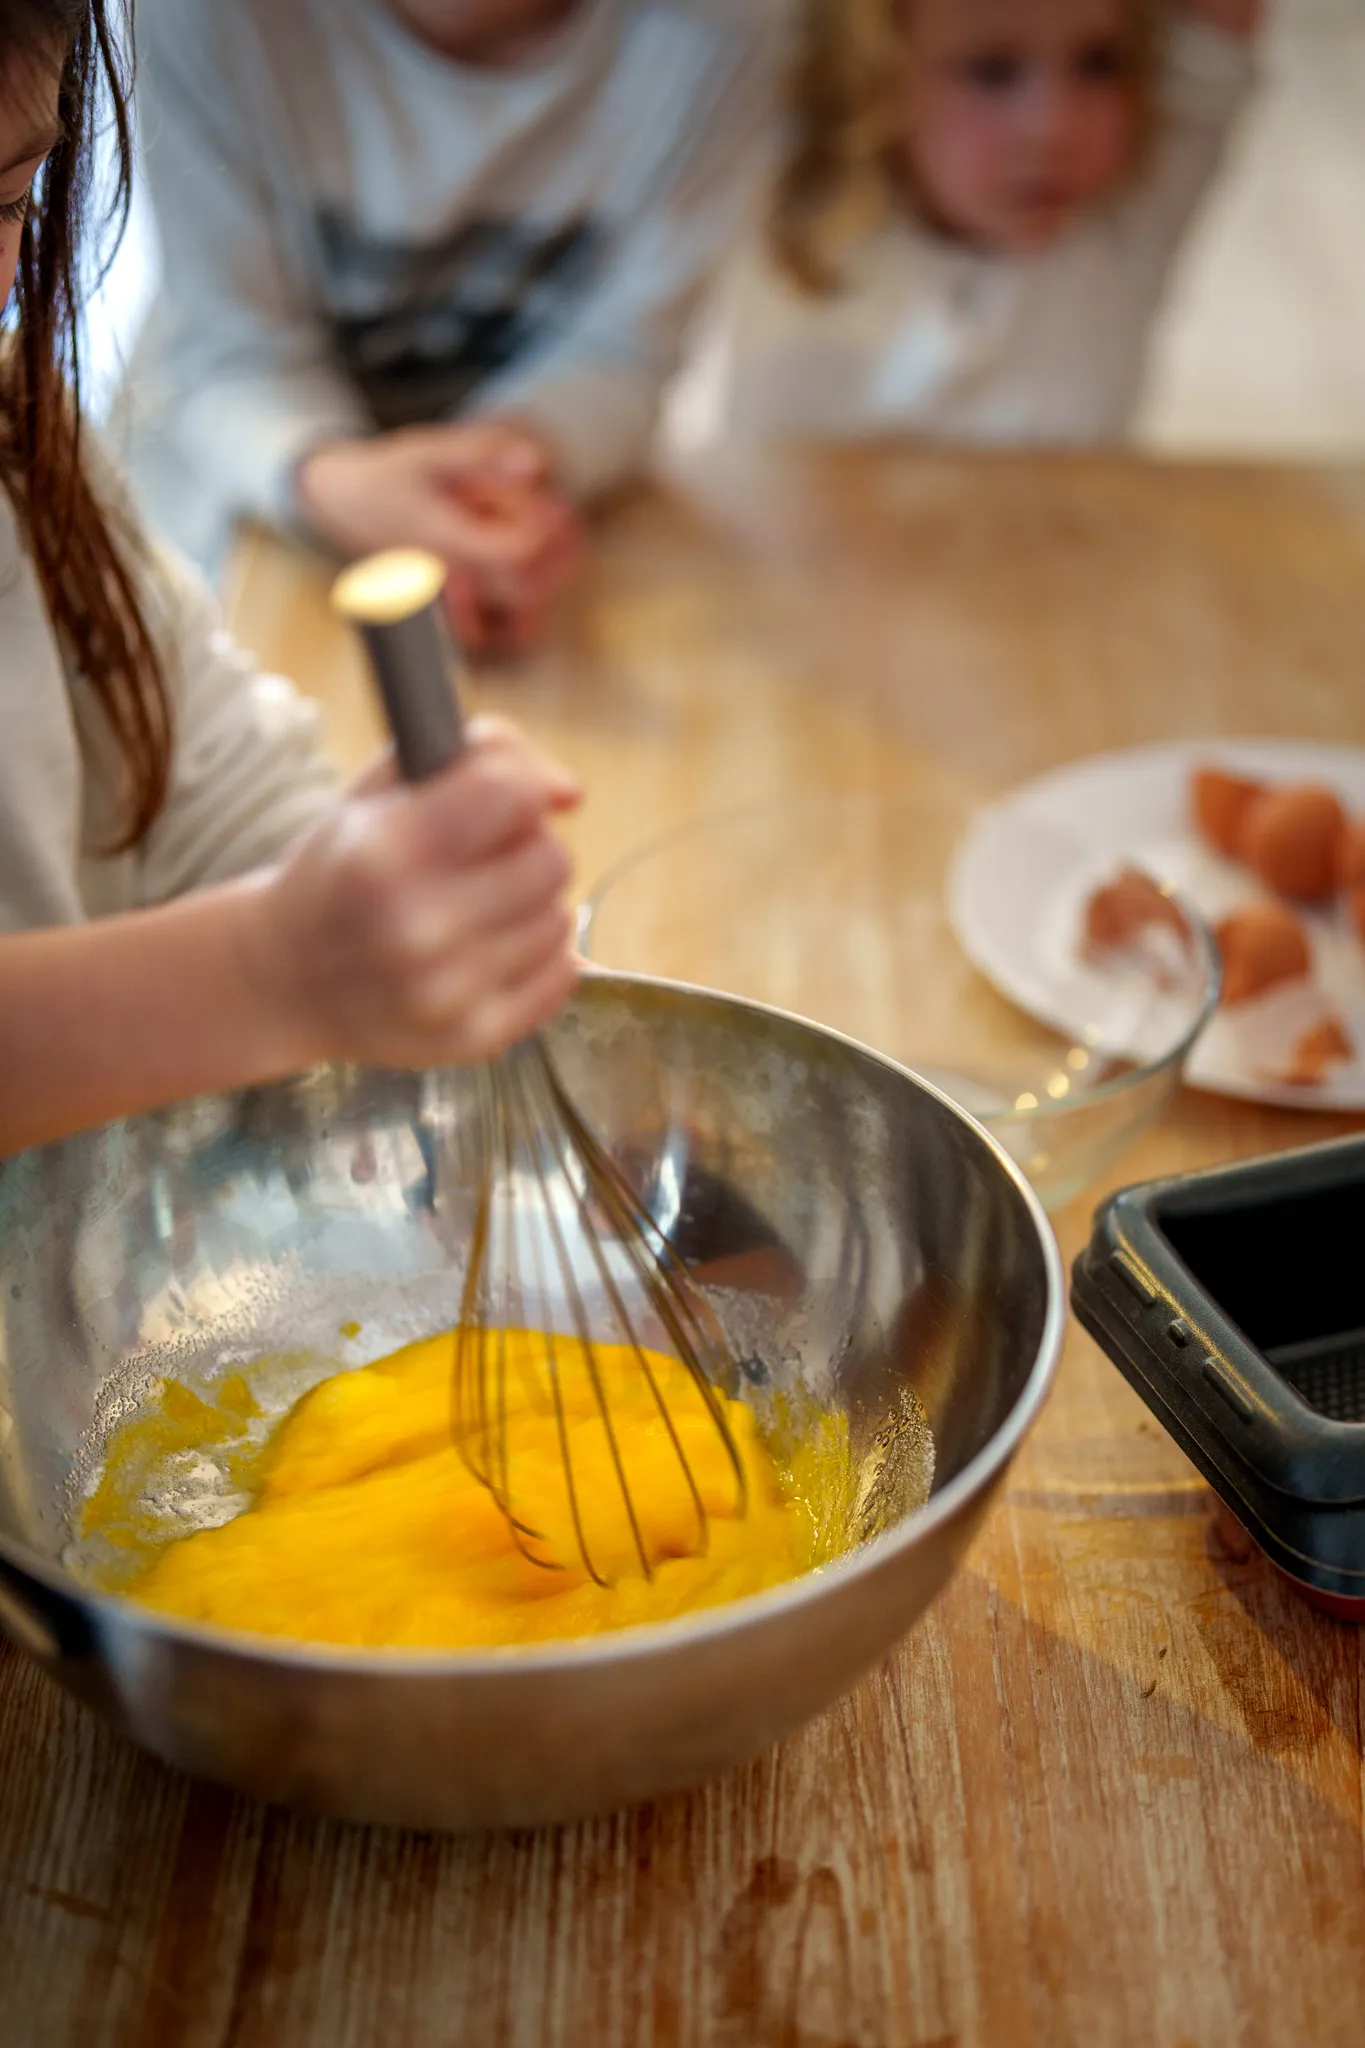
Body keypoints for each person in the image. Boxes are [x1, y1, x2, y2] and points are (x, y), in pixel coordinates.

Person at [0, 0, 581, 1158]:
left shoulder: (18, 428)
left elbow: (203, 773)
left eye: (6, 200)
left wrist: (379, 909)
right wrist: (262, 970)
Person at [124, 0, 780, 657]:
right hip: (239, 522)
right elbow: (230, 355)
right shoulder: (202, 17)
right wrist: (342, 484)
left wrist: (492, 480)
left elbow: (626, 350)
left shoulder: (726, 29)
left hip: (531, 530)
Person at [667, 0, 1261, 454]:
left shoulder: (1131, 214)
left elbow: (1210, 52)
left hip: (1057, 603)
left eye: (1099, 64)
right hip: (789, 601)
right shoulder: (785, 174)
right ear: (874, 72)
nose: (1052, 127)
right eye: (991, 71)